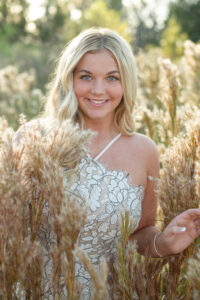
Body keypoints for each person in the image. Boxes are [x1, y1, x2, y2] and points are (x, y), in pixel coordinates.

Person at [20, 27, 200, 299]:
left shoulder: (144, 151)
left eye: (112, 78)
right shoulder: (34, 137)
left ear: (126, 83)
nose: (98, 90)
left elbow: (139, 233)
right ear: (69, 78)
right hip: (34, 290)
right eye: (86, 76)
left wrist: (163, 243)